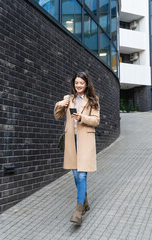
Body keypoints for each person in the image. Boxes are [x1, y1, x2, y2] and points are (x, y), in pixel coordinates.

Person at [54, 71, 100, 226]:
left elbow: (96, 120)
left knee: (81, 176)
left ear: (86, 84)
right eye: (76, 83)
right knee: (75, 174)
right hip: (71, 140)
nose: (79, 85)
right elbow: (58, 116)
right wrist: (59, 105)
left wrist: (82, 118)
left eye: (81, 83)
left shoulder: (93, 100)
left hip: (85, 140)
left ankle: (78, 211)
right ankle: (85, 202)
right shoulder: (69, 99)